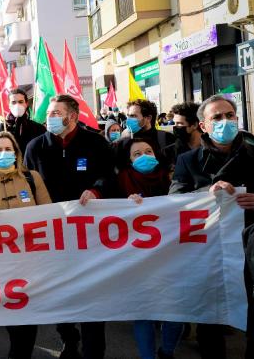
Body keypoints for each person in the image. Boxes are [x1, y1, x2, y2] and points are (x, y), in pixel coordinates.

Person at [170, 94, 254, 359]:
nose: (225, 121)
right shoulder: (188, 160)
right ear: (203, 125)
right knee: (211, 317)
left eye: (229, 115)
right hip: (210, 248)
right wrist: (207, 192)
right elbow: (175, 199)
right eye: (216, 117)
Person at [23, 94, 114, 359]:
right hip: (52, 236)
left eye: (55, 113)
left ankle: (93, 350)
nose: (49, 118)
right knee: (59, 293)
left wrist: (96, 190)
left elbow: (109, 177)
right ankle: (68, 338)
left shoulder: (96, 143)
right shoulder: (35, 147)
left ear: (72, 116)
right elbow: (26, 185)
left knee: (91, 293)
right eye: (48, 113)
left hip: (89, 234)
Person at [0, 131, 50, 359]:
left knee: (28, 312)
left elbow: (49, 212)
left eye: (7, 149)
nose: (3, 153)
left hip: (31, 257)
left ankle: (19, 354)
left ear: (16, 153)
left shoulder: (32, 178)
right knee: (10, 309)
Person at [111, 138, 183, 359]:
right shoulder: (120, 181)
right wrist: (124, 204)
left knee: (176, 312)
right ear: (129, 160)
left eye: (148, 151)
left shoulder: (172, 178)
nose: (144, 156)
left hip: (171, 255)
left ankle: (167, 351)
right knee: (144, 312)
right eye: (137, 154)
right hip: (136, 258)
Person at [120, 99, 176, 167]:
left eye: (133, 116)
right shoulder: (125, 140)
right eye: (128, 116)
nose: (128, 120)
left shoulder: (166, 138)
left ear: (148, 118)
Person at [1, 88, 47, 152]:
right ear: (9, 105)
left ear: (26, 104)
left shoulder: (38, 128)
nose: (17, 105)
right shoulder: (0, 129)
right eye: (13, 102)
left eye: (20, 102)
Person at [164, 102, 202, 167]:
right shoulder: (169, 152)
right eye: (174, 123)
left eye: (179, 123)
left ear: (194, 125)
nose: (175, 127)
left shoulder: (213, 148)